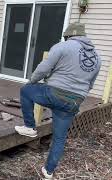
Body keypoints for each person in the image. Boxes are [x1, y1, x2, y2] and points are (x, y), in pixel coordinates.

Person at [14, 22, 101, 179]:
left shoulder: (62, 47)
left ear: (68, 35)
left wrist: (32, 81)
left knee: (26, 91)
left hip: (54, 93)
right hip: (74, 101)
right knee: (59, 138)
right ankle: (48, 171)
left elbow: (43, 68)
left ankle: (30, 127)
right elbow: (90, 85)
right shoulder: (97, 58)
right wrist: (77, 97)